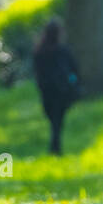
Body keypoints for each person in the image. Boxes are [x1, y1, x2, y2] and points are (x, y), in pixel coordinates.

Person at [32, 20, 80, 155]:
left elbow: (37, 72)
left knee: (54, 119)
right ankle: (55, 147)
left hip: (47, 91)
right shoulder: (62, 51)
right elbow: (74, 69)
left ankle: (55, 147)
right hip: (61, 91)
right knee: (57, 120)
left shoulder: (39, 51)